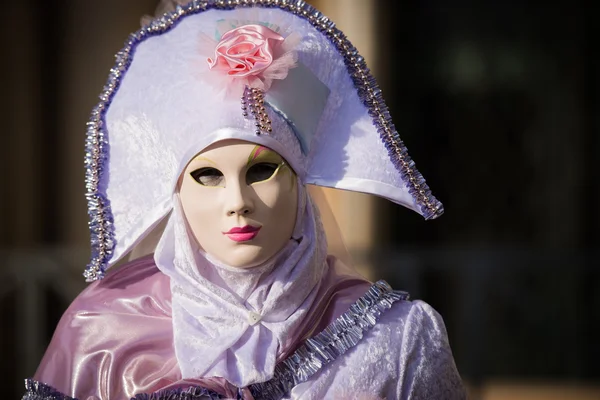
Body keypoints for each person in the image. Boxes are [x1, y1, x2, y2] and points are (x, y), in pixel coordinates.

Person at [23, 1, 466, 399]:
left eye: (261, 170)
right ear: (177, 193)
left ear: (299, 183)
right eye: (207, 176)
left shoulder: (397, 338)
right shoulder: (102, 329)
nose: (237, 201)